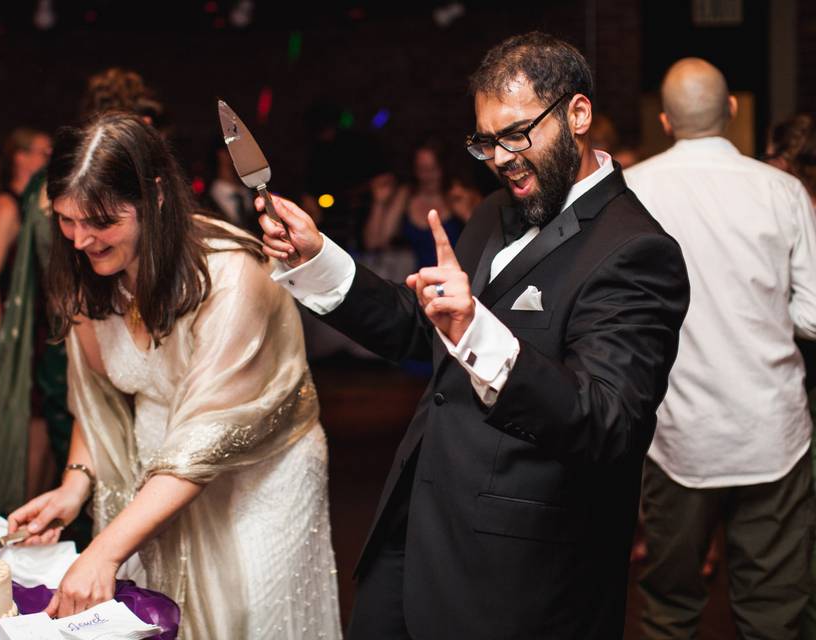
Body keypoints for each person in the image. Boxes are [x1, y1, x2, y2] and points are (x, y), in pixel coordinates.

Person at [260, 31, 689, 638]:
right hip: (415, 531)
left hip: (519, 574)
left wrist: (478, 331)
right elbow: (424, 332)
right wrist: (318, 258)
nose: (501, 157)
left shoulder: (635, 249)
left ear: (578, 114)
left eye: (517, 134)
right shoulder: (495, 210)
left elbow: (607, 423)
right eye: (486, 141)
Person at [7, 113, 342, 638]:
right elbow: (99, 403)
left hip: (257, 478)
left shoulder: (233, 277)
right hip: (156, 470)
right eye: (67, 221)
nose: (80, 240)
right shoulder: (84, 272)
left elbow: (205, 438)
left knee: (251, 618)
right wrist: (74, 486)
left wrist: (106, 549)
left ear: (155, 196)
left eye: (100, 221)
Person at [624, 58, 816, 639]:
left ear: (663, 120)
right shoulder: (782, 191)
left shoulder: (630, 193)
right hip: (772, 432)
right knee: (776, 612)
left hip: (678, 436)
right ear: (732, 110)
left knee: (668, 608)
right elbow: (812, 313)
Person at [0, 69, 161, 520]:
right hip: (66, 335)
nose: (81, 237)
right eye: (70, 223)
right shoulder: (49, 192)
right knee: (71, 436)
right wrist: (1, 344)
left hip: (116, 329)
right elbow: (0, 277)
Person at [0, 128, 52, 345]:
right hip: (13, 325)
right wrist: (0, 347)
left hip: (38, 323)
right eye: (45, 153)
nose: (51, 160)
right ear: (21, 157)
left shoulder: (37, 205)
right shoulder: (6, 207)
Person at [363, 142, 463, 270]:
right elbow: (373, 243)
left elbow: (482, 241)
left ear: (444, 167)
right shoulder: (405, 195)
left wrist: (465, 214)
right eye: (421, 169)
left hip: (454, 279)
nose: (427, 176)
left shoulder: (459, 194)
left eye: (432, 169)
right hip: (413, 282)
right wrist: (379, 203)